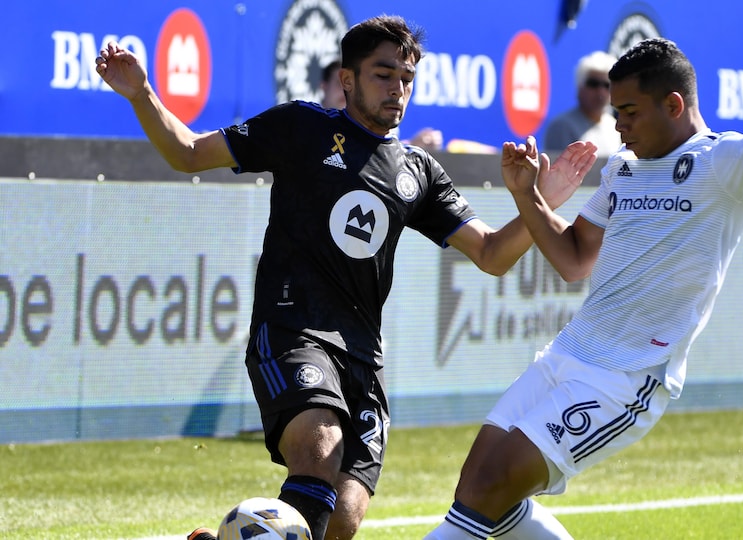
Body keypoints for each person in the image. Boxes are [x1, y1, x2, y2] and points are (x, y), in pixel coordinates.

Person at [94, 15, 597, 540]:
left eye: (406, 79)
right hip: (293, 331)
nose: (397, 90)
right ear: (349, 78)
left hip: (363, 357)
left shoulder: (419, 170)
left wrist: (537, 202)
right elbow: (187, 153)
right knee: (319, 451)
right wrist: (142, 93)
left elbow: (492, 254)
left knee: (343, 520)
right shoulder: (300, 127)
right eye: (384, 75)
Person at [425, 37, 743, 539]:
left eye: (629, 111)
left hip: (626, 378)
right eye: (615, 111)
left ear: (674, 105)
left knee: (492, 485)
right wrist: (527, 195)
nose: (618, 125)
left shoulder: (724, 162)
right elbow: (572, 259)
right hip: (566, 353)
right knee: (477, 487)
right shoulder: (622, 168)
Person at [544, 50, 622, 156]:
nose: (600, 91)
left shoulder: (616, 127)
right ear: (580, 87)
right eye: (593, 84)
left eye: (606, 85)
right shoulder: (562, 127)